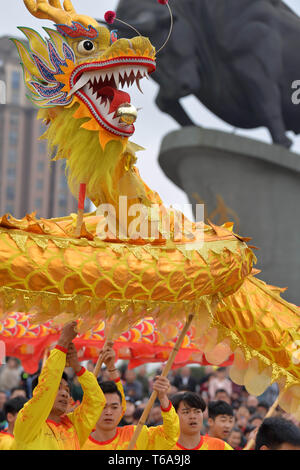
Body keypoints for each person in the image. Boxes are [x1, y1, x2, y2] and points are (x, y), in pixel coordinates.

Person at [11, 321, 106, 450]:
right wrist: (62, 343)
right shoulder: (28, 423)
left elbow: (97, 401)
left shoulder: (74, 426)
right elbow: (46, 387)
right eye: (58, 388)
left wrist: (78, 368)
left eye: (67, 390)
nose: (64, 393)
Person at [82, 344, 180, 450]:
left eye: (114, 407)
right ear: (92, 410)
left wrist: (163, 398)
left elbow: (170, 436)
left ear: (121, 409)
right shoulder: (77, 442)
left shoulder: (135, 435)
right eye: (103, 407)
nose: (108, 412)